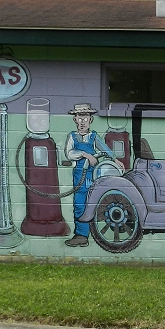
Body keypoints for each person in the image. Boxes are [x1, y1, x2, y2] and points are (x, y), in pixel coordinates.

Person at [64, 103, 115, 247]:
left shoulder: (94, 136)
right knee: (79, 204)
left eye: (85, 118)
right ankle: (81, 235)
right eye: (79, 118)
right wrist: (86, 154)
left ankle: (93, 233)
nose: (82, 121)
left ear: (90, 119)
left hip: (93, 176)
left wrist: (115, 159)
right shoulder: (72, 137)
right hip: (79, 175)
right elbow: (70, 153)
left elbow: (104, 149)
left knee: (93, 203)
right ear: (75, 120)